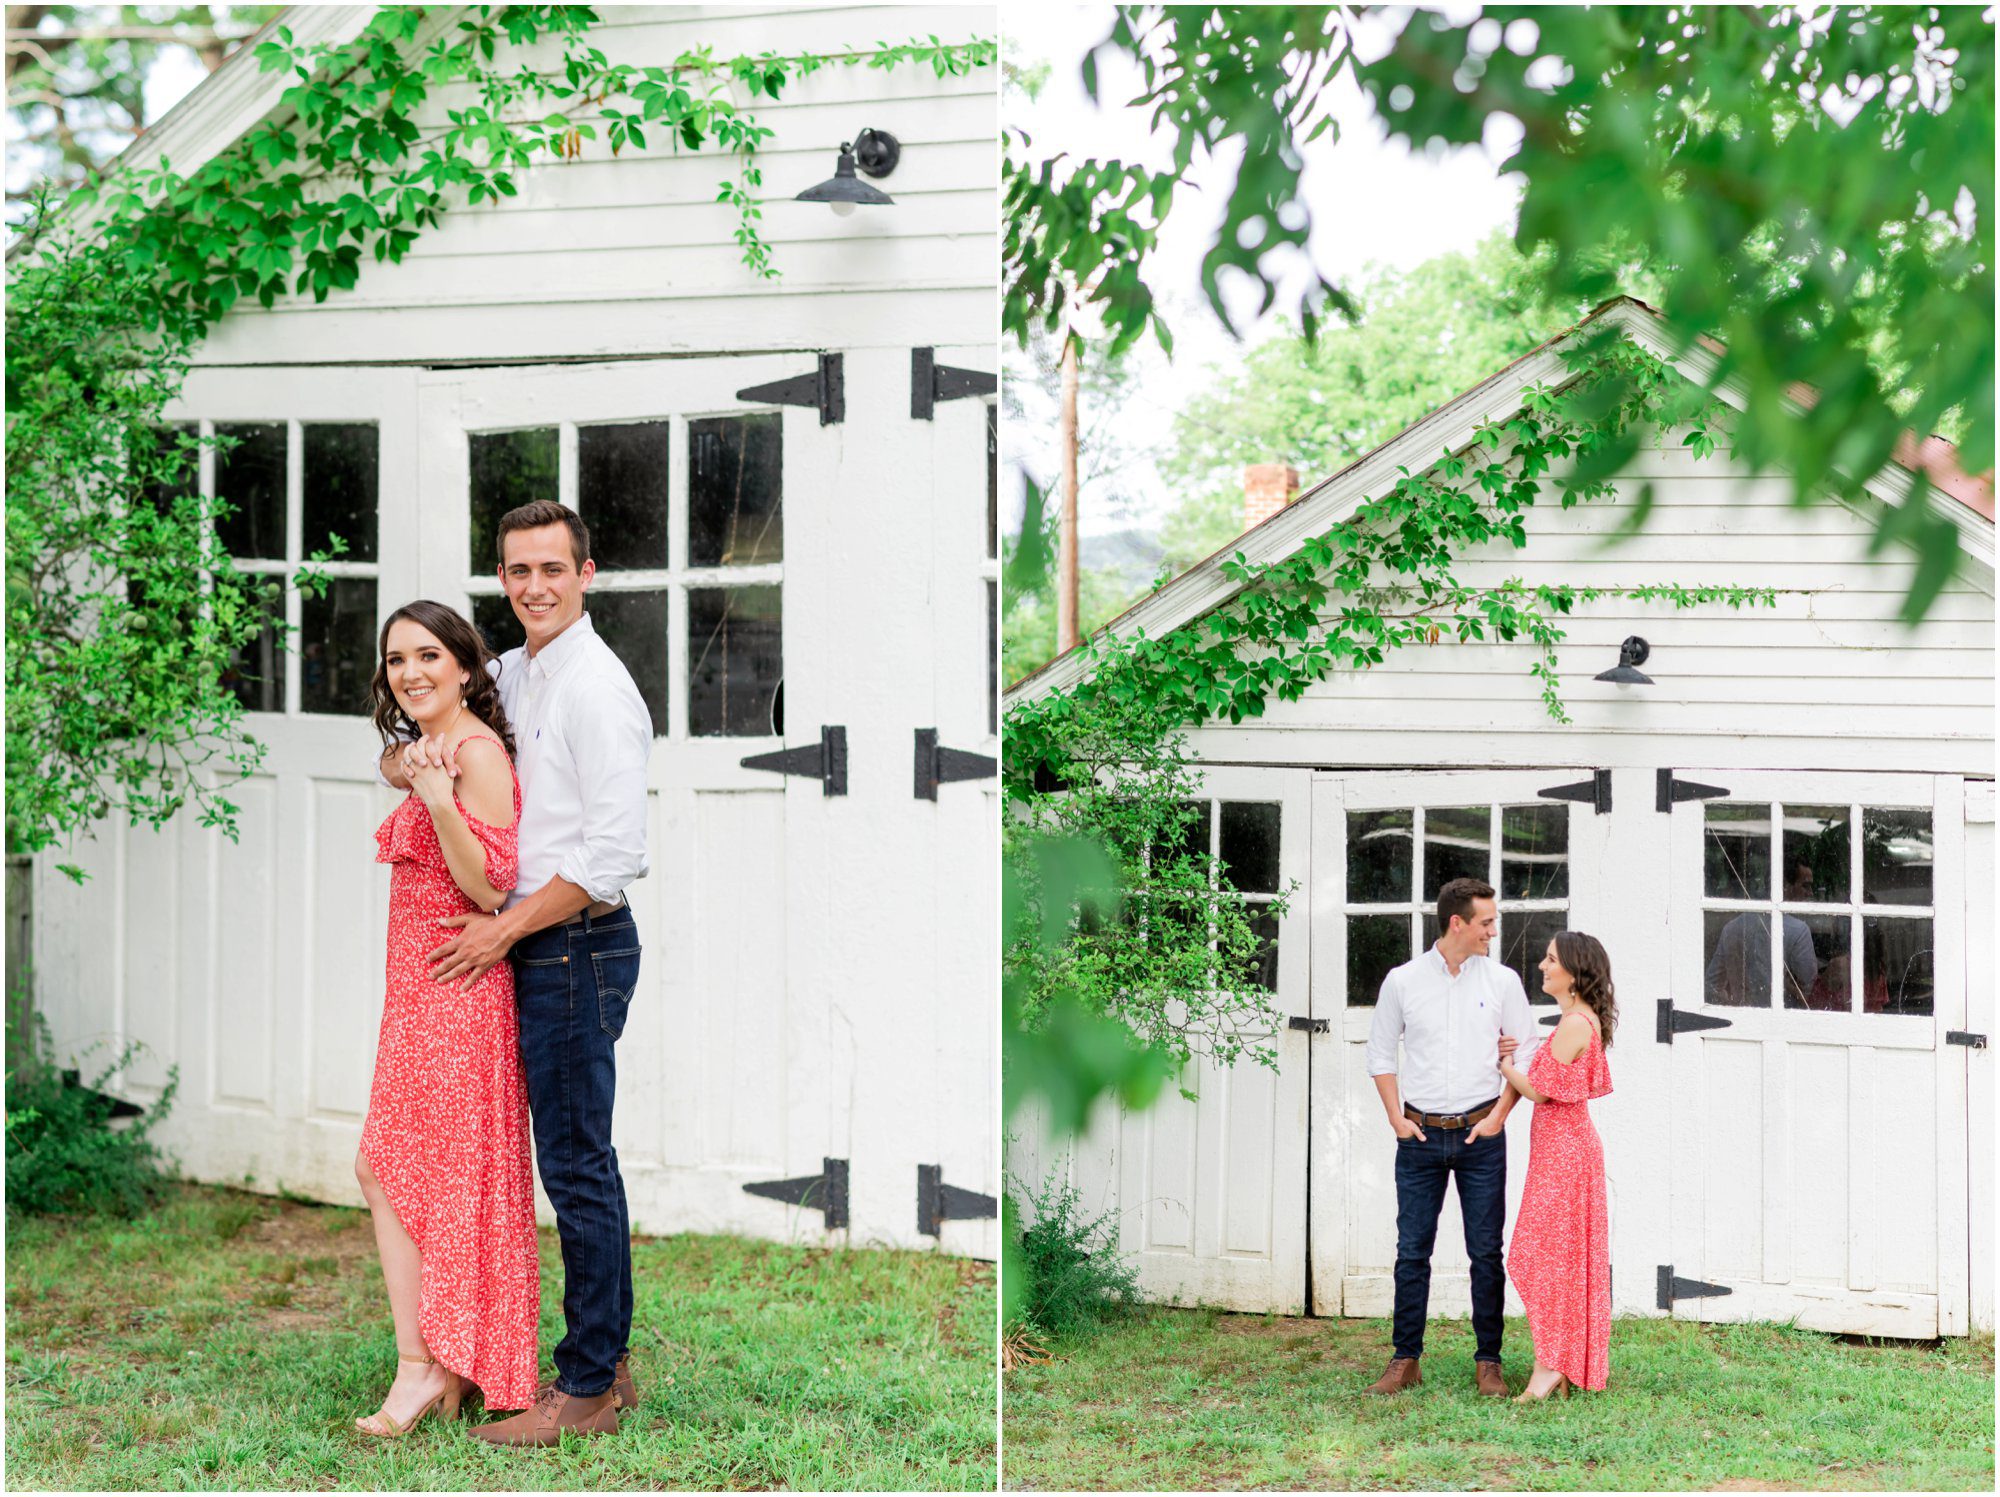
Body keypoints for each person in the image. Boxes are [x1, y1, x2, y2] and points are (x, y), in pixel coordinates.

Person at [383, 501, 652, 1446]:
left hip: (576, 941)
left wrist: (504, 931)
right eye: (517, 570)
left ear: (588, 572)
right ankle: (599, 1359)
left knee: (576, 1165)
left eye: (552, 568)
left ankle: (585, 1386)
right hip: (527, 941)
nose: (534, 585)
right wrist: (407, 764)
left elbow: (613, 854)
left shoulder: (599, 689)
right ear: (502, 579)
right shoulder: (511, 669)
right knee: (559, 1161)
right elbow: (432, 719)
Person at [355, 601, 538, 1437]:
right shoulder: (430, 747)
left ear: (466, 667)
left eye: (429, 655)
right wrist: (407, 767)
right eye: (397, 660)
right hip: (417, 994)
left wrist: (433, 798)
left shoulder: (476, 754)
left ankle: (424, 1367)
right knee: (397, 1168)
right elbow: (402, 757)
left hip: (460, 992)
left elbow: (491, 887)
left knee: (397, 1167)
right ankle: (439, 1360)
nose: (411, 672)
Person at [1362, 876, 1536, 1398]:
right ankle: (1404, 1361)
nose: (1493, 930)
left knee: (1486, 1251)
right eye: (1486, 921)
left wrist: (1500, 1116)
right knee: (1411, 1251)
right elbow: (1379, 1055)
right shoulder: (1403, 980)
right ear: (1457, 922)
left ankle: (1489, 1364)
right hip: (1419, 1136)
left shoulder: (1502, 982)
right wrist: (1397, 1119)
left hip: (1481, 1134)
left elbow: (1525, 1053)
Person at [1497, 931, 1616, 1401]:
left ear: (1573, 970)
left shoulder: (1574, 1024)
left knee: (1537, 1256)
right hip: (1562, 1151)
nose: (1542, 967)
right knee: (1556, 1259)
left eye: (1550, 960)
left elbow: (1542, 1091)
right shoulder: (1576, 1019)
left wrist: (1505, 1066)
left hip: (1565, 1154)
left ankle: (1550, 1366)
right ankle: (1557, 1362)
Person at [1706, 857, 1818, 1005]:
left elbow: (1711, 985)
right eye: (1805, 886)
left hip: (1743, 1019)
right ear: (1784, 885)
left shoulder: (1732, 927)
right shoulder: (1799, 931)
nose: (1810, 893)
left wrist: (1733, 1006)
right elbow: (1809, 987)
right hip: (1785, 1020)